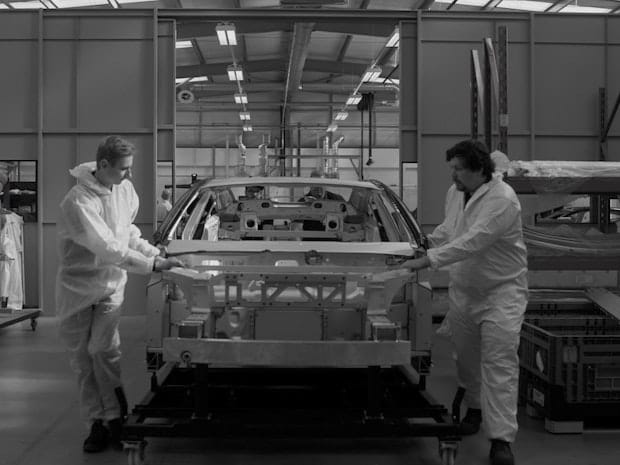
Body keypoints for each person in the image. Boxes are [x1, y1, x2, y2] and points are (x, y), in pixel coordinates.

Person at [56, 135, 184, 453]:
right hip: (77, 287)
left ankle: (116, 417)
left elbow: (128, 234)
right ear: (103, 165)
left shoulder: (124, 189)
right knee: (83, 362)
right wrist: (153, 264)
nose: (129, 175)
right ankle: (97, 424)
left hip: (111, 285)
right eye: (124, 169)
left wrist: (155, 253)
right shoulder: (78, 201)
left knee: (103, 350)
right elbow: (109, 248)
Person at [408, 140, 527, 465]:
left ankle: (501, 439)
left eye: (458, 168)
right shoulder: (456, 193)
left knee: (499, 362)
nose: (453, 175)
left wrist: (428, 260)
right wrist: (421, 244)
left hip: (501, 294)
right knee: (466, 359)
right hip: (464, 291)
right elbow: (451, 230)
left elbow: (474, 241)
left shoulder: (503, 200)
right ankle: (474, 407)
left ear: (478, 169)